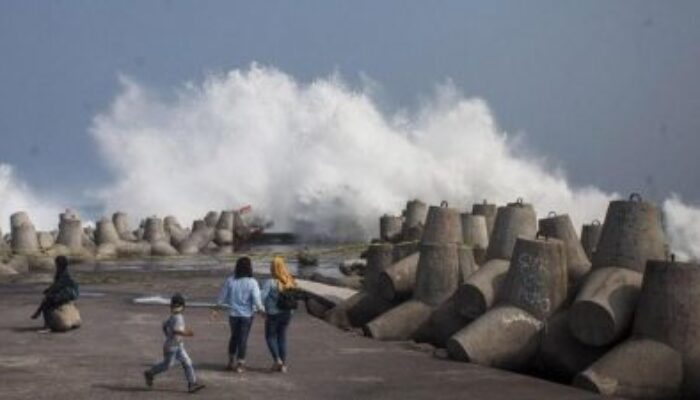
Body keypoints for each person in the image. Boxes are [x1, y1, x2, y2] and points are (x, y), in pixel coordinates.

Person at [144, 293, 205, 393]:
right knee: (167, 365)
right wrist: (187, 333)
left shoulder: (172, 316)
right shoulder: (179, 317)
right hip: (172, 346)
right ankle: (150, 373)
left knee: (187, 362)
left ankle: (192, 383)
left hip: (176, 345)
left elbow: (164, 326)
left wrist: (168, 336)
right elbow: (177, 330)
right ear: (183, 306)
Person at [217, 256, 264, 372]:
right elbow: (257, 299)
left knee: (234, 337)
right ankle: (240, 363)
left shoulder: (230, 280)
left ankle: (230, 361)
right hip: (247, 315)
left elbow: (222, 296)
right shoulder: (252, 282)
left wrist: (217, 307)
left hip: (233, 314)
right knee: (243, 339)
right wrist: (262, 310)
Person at [261, 256, 298, 373]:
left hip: (272, 314)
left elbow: (261, 297)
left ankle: (277, 360)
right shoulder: (290, 281)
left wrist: (261, 310)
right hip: (287, 313)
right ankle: (283, 365)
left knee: (270, 337)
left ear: (273, 268)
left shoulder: (270, 282)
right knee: (282, 337)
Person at [30, 255, 80, 323]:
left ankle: (42, 317)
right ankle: (38, 312)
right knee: (48, 298)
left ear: (60, 265)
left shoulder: (64, 274)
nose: (56, 266)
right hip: (67, 291)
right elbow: (56, 285)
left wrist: (48, 292)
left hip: (69, 293)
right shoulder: (62, 272)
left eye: (56, 264)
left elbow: (57, 286)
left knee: (48, 301)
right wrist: (48, 290)